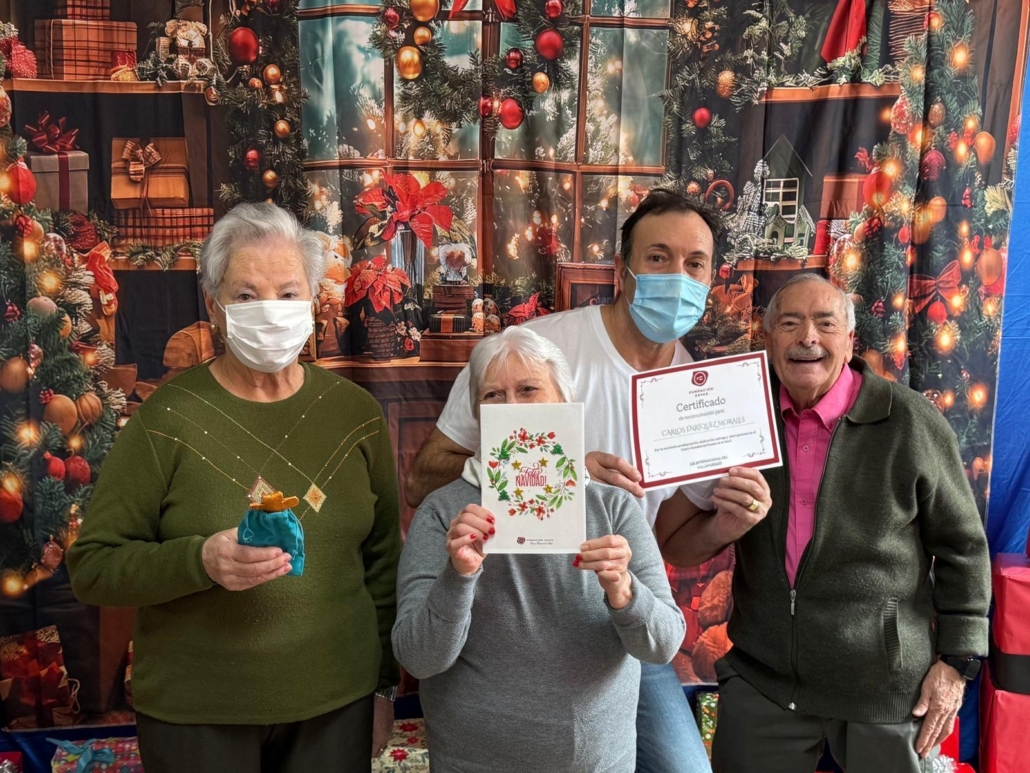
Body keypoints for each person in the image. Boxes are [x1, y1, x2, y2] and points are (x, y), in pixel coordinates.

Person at [406, 188, 772, 772]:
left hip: (612, 618)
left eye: (694, 263)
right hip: (501, 617)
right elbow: (422, 479)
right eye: (658, 257)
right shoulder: (533, 353)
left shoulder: (696, 393)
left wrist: (726, 526)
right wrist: (558, 464)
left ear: (709, 278)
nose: (676, 276)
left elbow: (672, 543)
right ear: (622, 271)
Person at [67, 203, 401, 773]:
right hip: (196, 716)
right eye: (246, 295)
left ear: (313, 300)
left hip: (336, 707)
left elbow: (383, 563)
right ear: (213, 306)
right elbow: (94, 568)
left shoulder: (356, 415)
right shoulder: (165, 419)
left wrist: (383, 687)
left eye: (288, 292)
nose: (270, 309)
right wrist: (200, 561)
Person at [710, 274, 992, 773]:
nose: (808, 338)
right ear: (768, 337)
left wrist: (957, 664)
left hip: (883, 685)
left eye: (825, 323)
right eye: (790, 323)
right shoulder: (738, 417)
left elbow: (963, 547)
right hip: (765, 679)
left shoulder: (909, 421)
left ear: (849, 338)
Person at [394, 326, 687, 772]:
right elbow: (418, 657)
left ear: (564, 401)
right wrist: (459, 575)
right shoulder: (444, 512)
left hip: (599, 762)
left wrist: (624, 591)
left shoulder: (612, 507)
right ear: (476, 414)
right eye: (493, 395)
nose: (512, 407)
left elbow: (662, 645)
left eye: (529, 389)